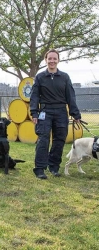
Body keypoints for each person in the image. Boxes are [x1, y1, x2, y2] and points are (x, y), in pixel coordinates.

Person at [30, 49, 81, 179]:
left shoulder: (65, 77)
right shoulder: (40, 77)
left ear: (58, 60)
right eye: (50, 58)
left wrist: (75, 114)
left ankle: (54, 167)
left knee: (59, 140)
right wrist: (34, 112)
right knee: (43, 140)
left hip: (61, 112)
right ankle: (40, 169)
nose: (52, 61)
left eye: (54, 58)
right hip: (45, 111)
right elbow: (35, 96)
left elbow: (71, 96)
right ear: (46, 60)